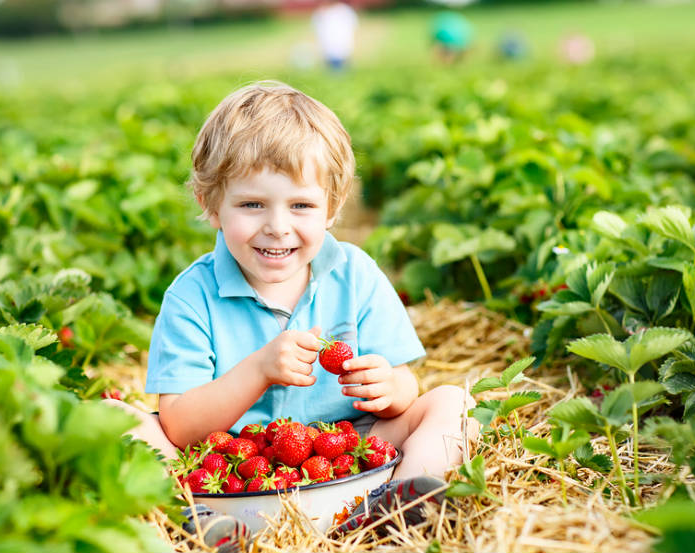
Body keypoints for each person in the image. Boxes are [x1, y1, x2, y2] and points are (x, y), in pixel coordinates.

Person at [104, 81, 477, 545]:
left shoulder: (356, 275)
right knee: (118, 419)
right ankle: (196, 522)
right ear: (211, 204)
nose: (277, 227)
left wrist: (391, 388)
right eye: (252, 204)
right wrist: (259, 369)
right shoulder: (191, 296)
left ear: (332, 209)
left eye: (301, 205)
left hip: (352, 455)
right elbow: (179, 425)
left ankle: (400, 505)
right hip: (228, 476)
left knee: (451, 403)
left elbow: (404, 387)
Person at [311, 0, 358, 71]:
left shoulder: (344, 10)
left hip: (341, 47)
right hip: (327, 48)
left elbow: (352, 25)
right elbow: (316, 27)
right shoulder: (321, 11)